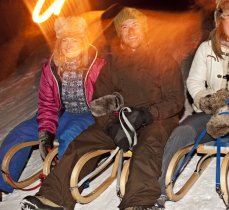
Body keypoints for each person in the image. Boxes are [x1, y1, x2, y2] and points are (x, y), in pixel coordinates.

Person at [20, 7, 185, 210]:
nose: (131, 31)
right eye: (125, 27)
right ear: (119, 33)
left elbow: (175, 100)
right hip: (121, 118)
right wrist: (111, 125)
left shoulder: (162, 59)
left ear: (144, 30)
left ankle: (138, 202)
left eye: (135, 26)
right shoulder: (114, 62)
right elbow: (98, 100)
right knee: (81, 142)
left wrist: (146, 114)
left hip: (156, 117)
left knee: (148, 145)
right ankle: (53, 197)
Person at [156, 0, 229, 210]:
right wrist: (208, 100)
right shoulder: (206, 48)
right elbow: (194, 82)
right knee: (183, 130)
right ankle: (161, 189)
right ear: (219, 21)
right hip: (211, 112)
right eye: (228, 15)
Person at [0, 16, 105, 194]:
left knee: (70, 136)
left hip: (86, 114)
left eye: (74, 40)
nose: (69, 45)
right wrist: (46, 132)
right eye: (65, 40)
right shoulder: (51, 68)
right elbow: (47, 103)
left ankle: (66, 184)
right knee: (19, 133)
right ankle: (2, 183)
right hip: (59, 113)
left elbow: (107, 95)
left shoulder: (98, 65)